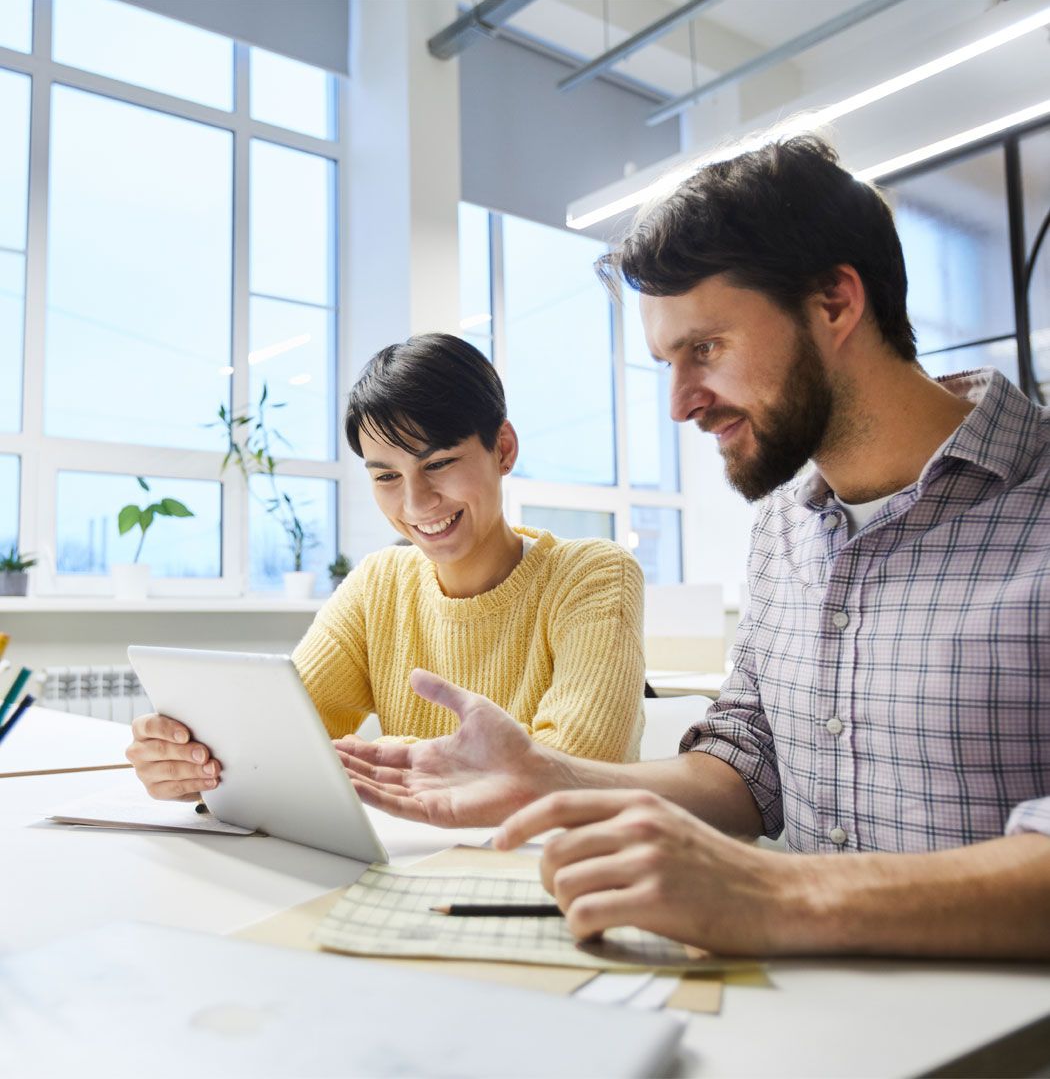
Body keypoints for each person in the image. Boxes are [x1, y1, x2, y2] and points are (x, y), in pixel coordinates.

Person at [338, 136, 1050, 959]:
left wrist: (776, 891)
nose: (680, 403)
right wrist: (544, 776)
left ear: (835, 303)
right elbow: (745, 772)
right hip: (805, 1012)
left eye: (705, 349)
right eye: (667, 362)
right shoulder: (787, 526)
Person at [126, 334, 646, 801]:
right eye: (386, 477)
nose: (417, 504)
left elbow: (577, 768)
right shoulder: (379, 585)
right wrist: (197, 766)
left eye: (438, 463)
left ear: (503, 449)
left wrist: (356, 757)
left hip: (555, 875)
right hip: (416, 862)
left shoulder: (593, 575)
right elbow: (280, 741)